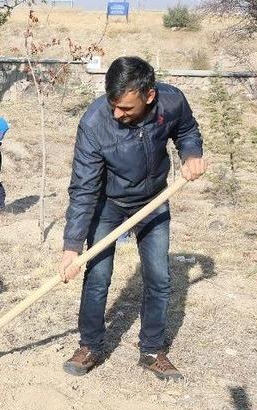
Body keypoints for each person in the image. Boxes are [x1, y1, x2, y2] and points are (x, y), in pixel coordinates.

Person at [58, 56, 206, 381]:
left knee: (159, 277)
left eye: (125, 108)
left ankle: (152, 350)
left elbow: (186, 130)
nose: (117, 114)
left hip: (154, 200)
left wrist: (192, 154)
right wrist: (72, 247)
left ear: (149, 95)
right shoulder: (95, 123)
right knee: (97, 276)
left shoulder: (171, 101)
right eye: (113, 105)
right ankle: (90, 346)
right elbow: (83, 188)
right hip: (108, 204)